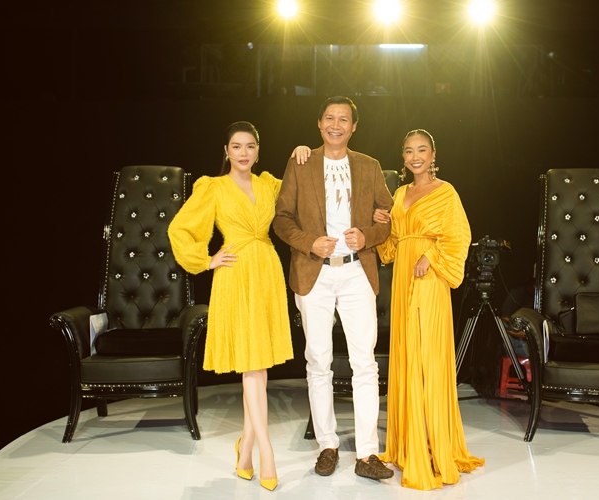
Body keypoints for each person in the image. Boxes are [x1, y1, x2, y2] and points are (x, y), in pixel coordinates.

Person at [273, 96, 395, 481]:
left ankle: (367, 453)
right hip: (315, 273)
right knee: (318, 360)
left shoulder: (370, 166)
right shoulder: (300, 162)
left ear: (354, 126)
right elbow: (281, 218)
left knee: (365, 363)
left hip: (358, 272)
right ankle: (327, 445)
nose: (336, 125)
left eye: (344, 119)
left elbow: (388, 217)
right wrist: (309, 242)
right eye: (330, 118)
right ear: (319, 123)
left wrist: (369, 235)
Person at [168, 121, 293, 492]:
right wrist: (205, 260)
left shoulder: (269, 185)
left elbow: (303, 194)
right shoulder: (214, 187)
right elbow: (180, 229)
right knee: (252, 366)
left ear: (258, 151)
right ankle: (266, 452)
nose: (244, 153)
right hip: (235, 275)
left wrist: (301, 154)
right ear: (226, 151)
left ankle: (245, 450)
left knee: (259, 366)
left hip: (267, 271)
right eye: (237, 146)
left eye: (250, 146)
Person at [372, 129, 485, 490]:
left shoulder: (446, 192)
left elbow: (460, 236)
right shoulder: (399, 194)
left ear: (433, 154)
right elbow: (390, 248)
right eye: (409, 151)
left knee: (428, 359)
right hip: (403, 278)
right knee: (407, 357)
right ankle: (411, 445)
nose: (415, 156)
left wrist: (432, 256)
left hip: (429, 278)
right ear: (403, 158)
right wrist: (381, 224)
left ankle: (436, 447)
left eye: (422, 150)